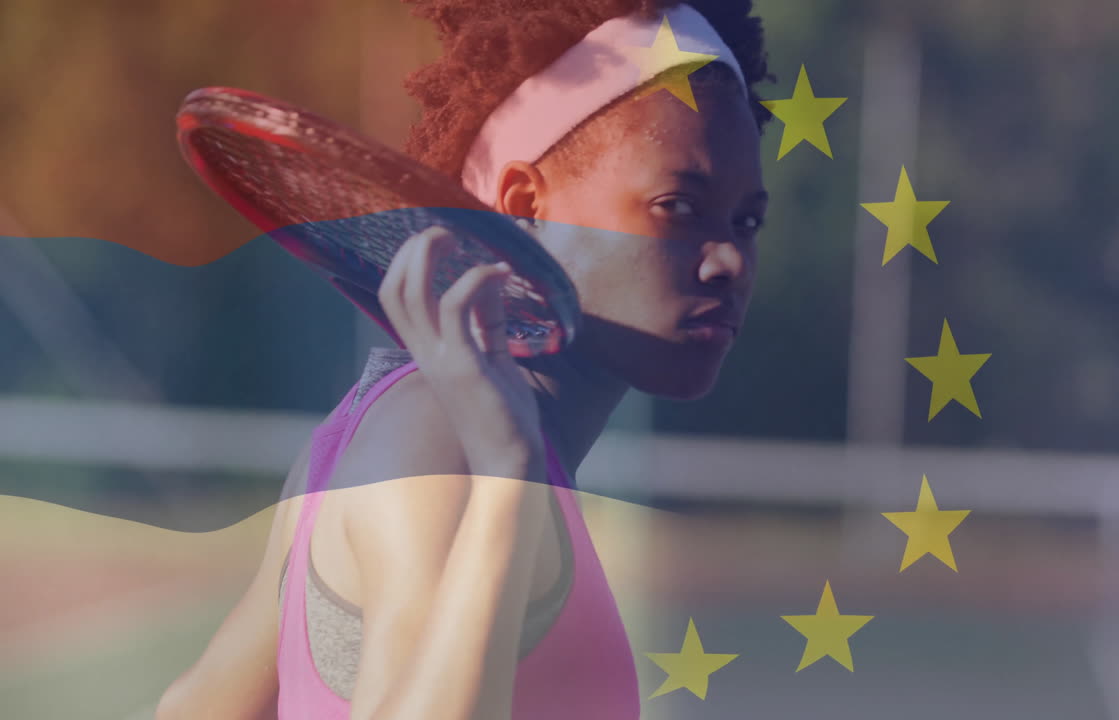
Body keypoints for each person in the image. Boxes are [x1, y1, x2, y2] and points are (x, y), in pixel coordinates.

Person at [156, 0, 773, 718]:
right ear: (523, 205)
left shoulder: (403, 424)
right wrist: (504, 477)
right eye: (678, 206)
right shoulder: (441, 443)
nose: (728, 259)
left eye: (748, 221)